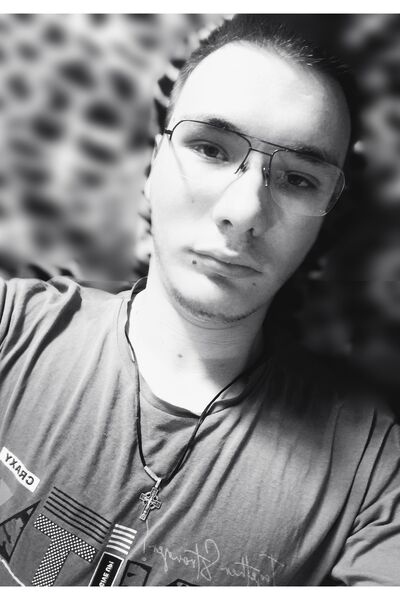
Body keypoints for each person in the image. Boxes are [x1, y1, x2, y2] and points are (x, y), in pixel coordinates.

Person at [0, 14, 399, 587]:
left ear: (325, 219)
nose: (244, 211)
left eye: (299, 179)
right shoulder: (12, 329)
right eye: (211, 149)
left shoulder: (372, 468)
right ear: (152, 165)